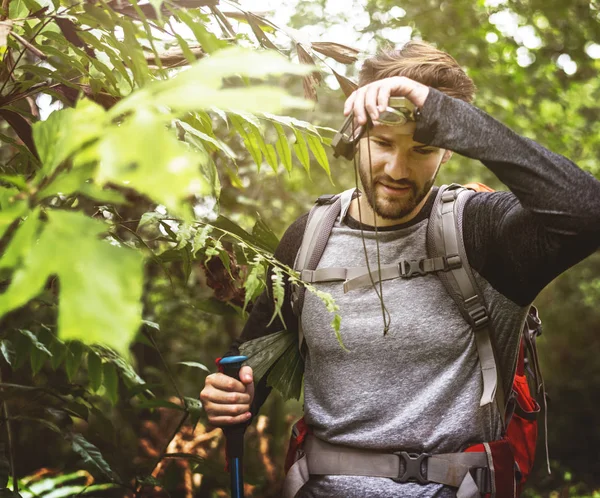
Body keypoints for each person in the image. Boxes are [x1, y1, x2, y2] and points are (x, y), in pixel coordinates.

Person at [200, 41, 600, 497]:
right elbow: (251, 367)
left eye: (423, 149)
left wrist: (447, 114)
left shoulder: (482, 232)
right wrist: (229, 396)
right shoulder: (308, 238)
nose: (397, 168)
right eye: (383, 143)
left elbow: (587, 211)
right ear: (355, 135)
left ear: (448, 150)